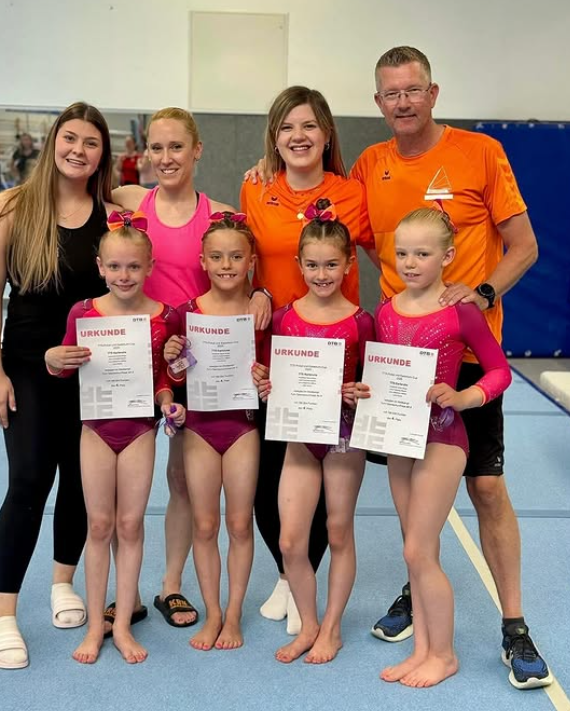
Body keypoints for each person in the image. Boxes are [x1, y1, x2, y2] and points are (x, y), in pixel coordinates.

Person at [350, 45, 550, 690]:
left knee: (486, 489)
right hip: (400, 362)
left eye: (413, 89)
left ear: (433, 93)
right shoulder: (369, 165)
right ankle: (420, 589)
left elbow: (525, 246)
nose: (403, 102)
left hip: (464, 356)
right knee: (412, 495)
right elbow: (335, 229)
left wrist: (481, 294)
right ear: (378, 102)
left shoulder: (480, 153)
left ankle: (514, 625)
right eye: (391, 93)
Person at [110, 107, 269, 633]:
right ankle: (125, 591)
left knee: (180, 479)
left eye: (176, 146)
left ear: (197, 150)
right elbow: (67, 189)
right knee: (122, 478)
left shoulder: (221, 214)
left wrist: (265, 294)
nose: (165, 157)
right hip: (133, 354)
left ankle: (171, 584)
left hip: (195, 364)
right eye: (156, 147)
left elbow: (249, 272)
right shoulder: (130, 200)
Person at [356, 207, 512, 687]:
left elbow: (499, 371)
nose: (410, 262)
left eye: (422, 254)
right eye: (402, 253)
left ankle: (443, 655)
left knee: (418, 549)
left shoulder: (462, 311)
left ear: (447, 256)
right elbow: (381, 372)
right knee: (415, 552)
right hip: (399, 436)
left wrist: (464, 397)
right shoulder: (386, 311)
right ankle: (422, 648)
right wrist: (364, 390)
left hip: (443, 437)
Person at [241, 86, 374, 634]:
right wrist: (257, 291)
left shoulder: (354, 193)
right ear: (274, 138)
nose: (298, 136)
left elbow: (390, 256)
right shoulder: (256, 189)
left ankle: (305, 580)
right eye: (287, 127)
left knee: (324, 481)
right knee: (269, 479)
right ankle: (286, 571)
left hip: (337, 355)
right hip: (276, 355)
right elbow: (246, 260)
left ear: (327, 134)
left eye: (309, 125)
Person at [0, 102, 117, 669]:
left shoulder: (114, 214)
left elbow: (186, 205)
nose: (78, 150)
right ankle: (4, 612)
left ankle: (62, 582)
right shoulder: (14, 208)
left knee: (80, 481)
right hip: (27, 365)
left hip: (91, 367)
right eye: (70, 138)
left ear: (103, 154)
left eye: (91, 142)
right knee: (27, 479)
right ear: (52, 143)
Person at [45, 213, 185, 664]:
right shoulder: (83, 312)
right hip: (96, 431)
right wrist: (52, 359)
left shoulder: (165, 317)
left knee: (130, 525)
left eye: (134, 267)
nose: (124, 275)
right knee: (100, 525)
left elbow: (164, 377)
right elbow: (64, 366)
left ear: (150, 267)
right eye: (116, 266)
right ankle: (94, 627)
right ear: (100, 266)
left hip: (140, 431)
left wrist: (168, 401)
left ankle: (122, 624)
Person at [254, 200, 375, 664]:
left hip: (343, 439)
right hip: (300, 440)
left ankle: (332, 627)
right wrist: (267, 383)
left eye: (330, 265)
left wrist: (358, 391)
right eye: (312, 265)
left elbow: (374, 384)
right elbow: (275, 375)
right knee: (290, 540)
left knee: (338, 531)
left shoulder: (361, 322)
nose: (321, 274)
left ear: (348, 265)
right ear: (298, 264)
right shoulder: (285, 317)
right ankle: (308, 623)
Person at [164, 213, 262, 651]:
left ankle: (234, 613)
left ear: (251, 261)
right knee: (204, 524)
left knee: (240, 523)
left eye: (236, 257)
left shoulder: (259, 314)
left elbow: (275, 369)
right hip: (201, 430)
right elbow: (174, 376)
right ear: (202, 261)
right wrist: (173, 361)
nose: (226, 265)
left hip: (242, 427)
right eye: (217, 257)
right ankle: (214, 612)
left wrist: (266, 376)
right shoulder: (185, 314)